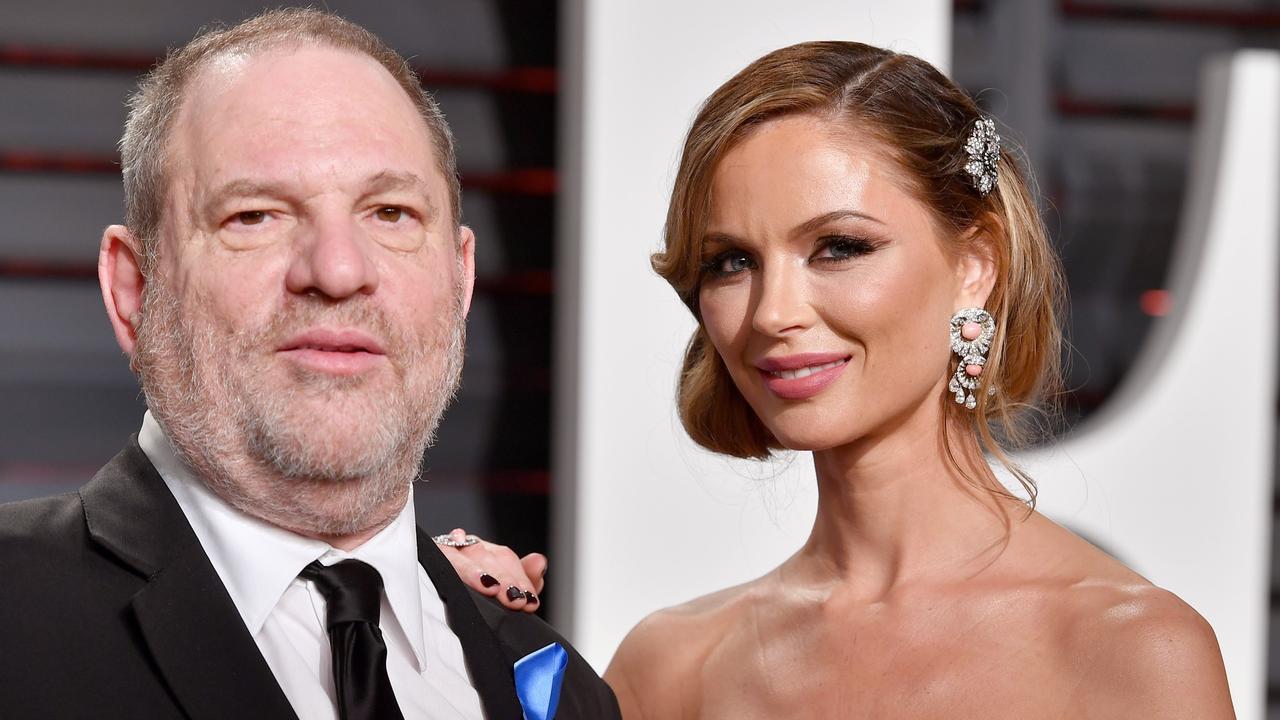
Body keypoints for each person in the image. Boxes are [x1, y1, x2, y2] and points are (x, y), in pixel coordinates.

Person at [455, 41, 1236, 718]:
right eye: (733, 262)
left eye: (839, 247)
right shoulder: (673, 665)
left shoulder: (1129, 650)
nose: (772, 313)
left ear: (975, 266)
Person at [0, 9, 618, 720]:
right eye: (255, 216)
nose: (337, 269)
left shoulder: (563, 694)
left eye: (390, 213)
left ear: (460, 279)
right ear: (134, 292)